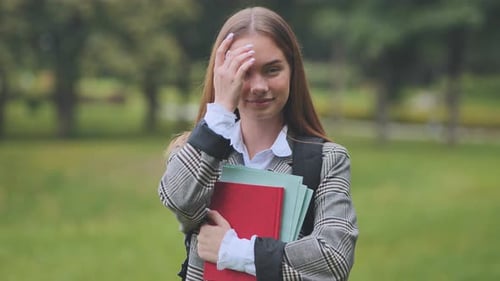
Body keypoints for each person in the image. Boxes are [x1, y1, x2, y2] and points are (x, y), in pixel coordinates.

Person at [158, 6, 358, 281]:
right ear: (223, 75)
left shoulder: (326, 160)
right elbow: (179, 201)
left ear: (293, 71)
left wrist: (232, 250)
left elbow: (334, 260)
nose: (259, 86)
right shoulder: (196, 153)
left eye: (272, 70)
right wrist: (220, 113)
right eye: (244, 72)